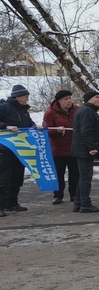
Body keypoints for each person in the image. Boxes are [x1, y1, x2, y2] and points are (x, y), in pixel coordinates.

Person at [0, 84, 41, 215]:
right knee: (4, 177)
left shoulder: (23, 111)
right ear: (17, 97)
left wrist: (35, 126)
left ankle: (12, 203)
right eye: (25, 96)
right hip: (6, 148)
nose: (27, 99)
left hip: (20, 149)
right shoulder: (4, 107)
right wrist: (6, 126)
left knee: (17, 177)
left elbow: (27, 124)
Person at [71, 90, 99, 214]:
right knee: (86, 177)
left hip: (81, 148)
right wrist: (92, 147)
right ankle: (85, 204)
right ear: (89, 99)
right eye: (97, 97)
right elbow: (86, 131)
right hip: (84, 149)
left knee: (83, 177)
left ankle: (78, 203)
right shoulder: (87, 111)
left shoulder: (86, 110)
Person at [42, 89, 78, 206]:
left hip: (73, 148)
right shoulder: (51, 113)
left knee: (75, 173)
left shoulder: (76, 110)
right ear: (59, 101)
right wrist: (56, 131)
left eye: (70, 98)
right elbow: (46, 130)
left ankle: (74, 194)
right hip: (58, 149)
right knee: (59, 173)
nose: (69, 101)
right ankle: (58, 195)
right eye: (66, 99)